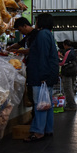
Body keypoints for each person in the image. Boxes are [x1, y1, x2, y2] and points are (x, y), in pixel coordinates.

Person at [23, 13, 59, 142]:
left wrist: (43, 76)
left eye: (36, 20)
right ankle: (47, 129)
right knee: (46, 103)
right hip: (47, 74)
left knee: (40, 104)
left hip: (41, 75)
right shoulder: (48, 34)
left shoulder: (42, 34)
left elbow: (43, 56)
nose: (35, 23)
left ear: (41, 22)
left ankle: (38, 132)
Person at [6, 17, 38, 118]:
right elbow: (19, 44)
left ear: (25, 26)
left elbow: (31, 50)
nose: (21, 32)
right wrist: (10, 48)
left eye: (20, 29)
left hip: (35, 67)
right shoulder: (28, 35)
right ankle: (35, 117)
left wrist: (17, 51)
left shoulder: (36, 34)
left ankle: (36, 118)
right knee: (31, 92)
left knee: (34, 94)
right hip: (30, 66)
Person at [59, 39, 77, 111]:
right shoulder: (73, 52)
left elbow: (63, 63)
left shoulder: (68, 52)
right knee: (70, 88)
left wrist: (56, 61)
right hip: (72, 72)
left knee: (68, 89)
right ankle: (71, 104)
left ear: (65, 45)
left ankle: (72, 105)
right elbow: (67, 60)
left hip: (67, 72)